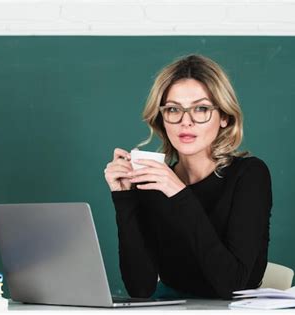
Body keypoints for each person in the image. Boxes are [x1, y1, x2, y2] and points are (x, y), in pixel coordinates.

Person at [103, 54, 272, 300]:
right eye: (173, 109)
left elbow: (232, 285)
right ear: (162, 118)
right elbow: (140, 288)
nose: (186, 122)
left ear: (224, 117)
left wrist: (179, 193)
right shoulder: (155, 180)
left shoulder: (249, 175)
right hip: (174, 306)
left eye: (201, 109)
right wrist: (124, 197)